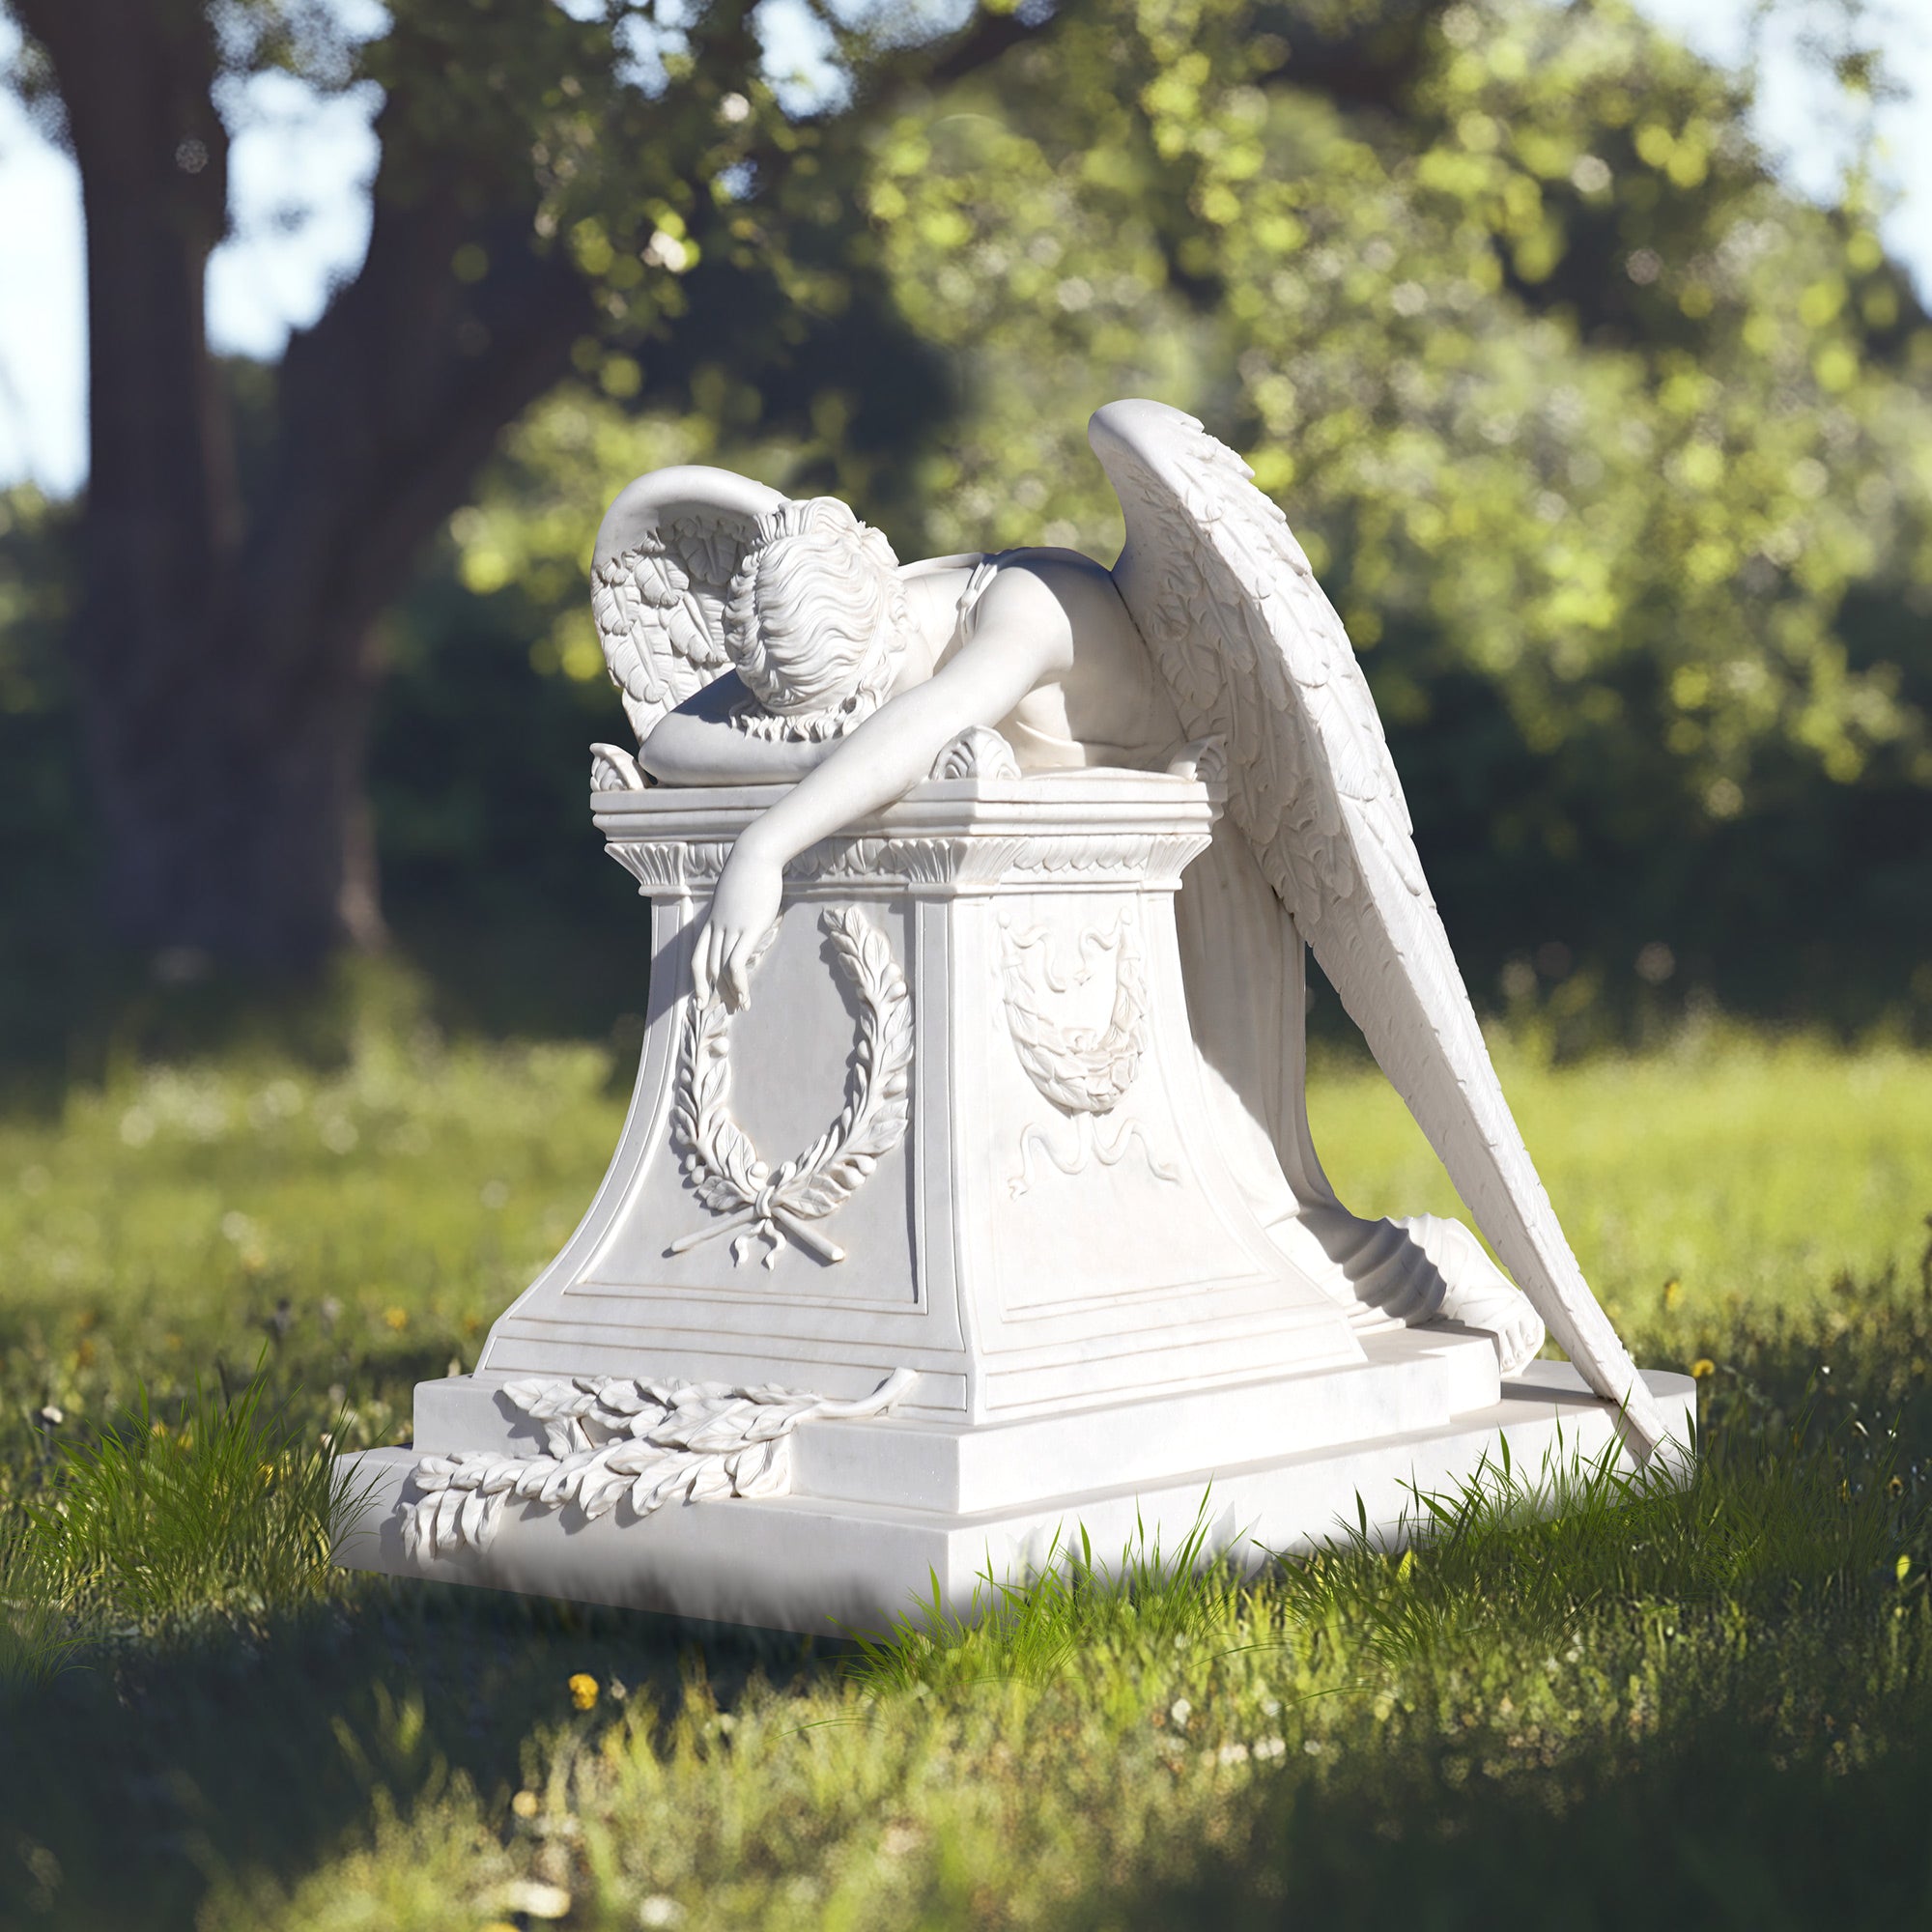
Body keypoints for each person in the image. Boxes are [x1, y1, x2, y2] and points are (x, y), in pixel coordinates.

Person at [639, 494, 1545, 1370]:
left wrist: (767, 843)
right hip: (1040, 897)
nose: (856, 727)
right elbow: (667, 739)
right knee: (1136, 1232)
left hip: (1189, 884)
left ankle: (1432, 1262)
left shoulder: (1030, 606)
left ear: (885, 618)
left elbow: (928, 722)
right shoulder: (860, 634)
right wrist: (824, 753)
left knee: (1232, 1211)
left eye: (860, 706)